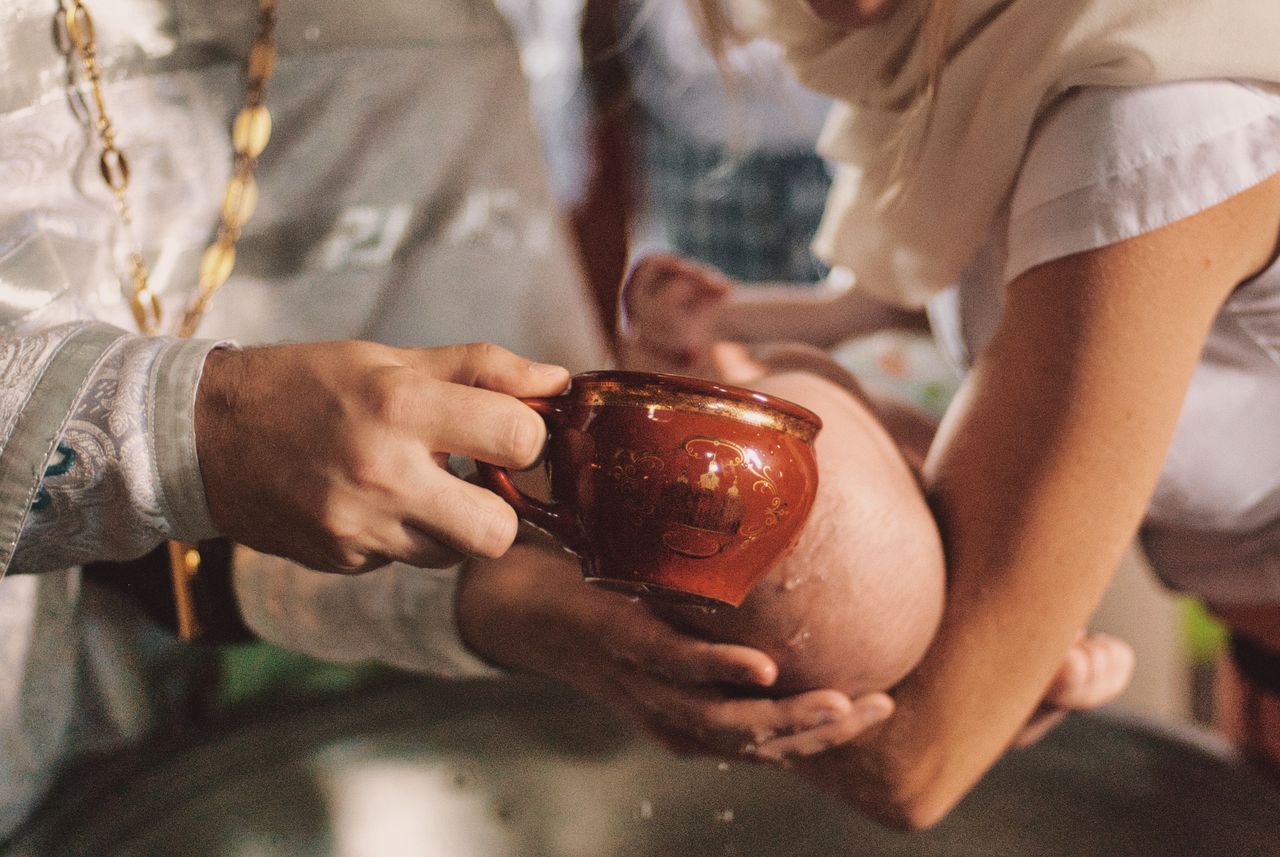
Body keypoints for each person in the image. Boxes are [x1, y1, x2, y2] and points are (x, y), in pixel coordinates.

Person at [0, 0, 865, 841]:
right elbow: (219, 456)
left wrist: (507, 599)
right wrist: (197, 430)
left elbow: (334, 510)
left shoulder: (433, 40)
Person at [662, 0, 1280, 829]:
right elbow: (969, 290)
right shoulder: (990, 63)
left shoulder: (1149, 120)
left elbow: (916, 758)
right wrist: (723, 331)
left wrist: (576, 635)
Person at [456, 250, 1134, 764]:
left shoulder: (694, 437)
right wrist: (1046, 670)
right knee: (1047, 655)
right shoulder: (928, 498)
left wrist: (678, 334)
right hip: (937, 559)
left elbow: (661, 408)